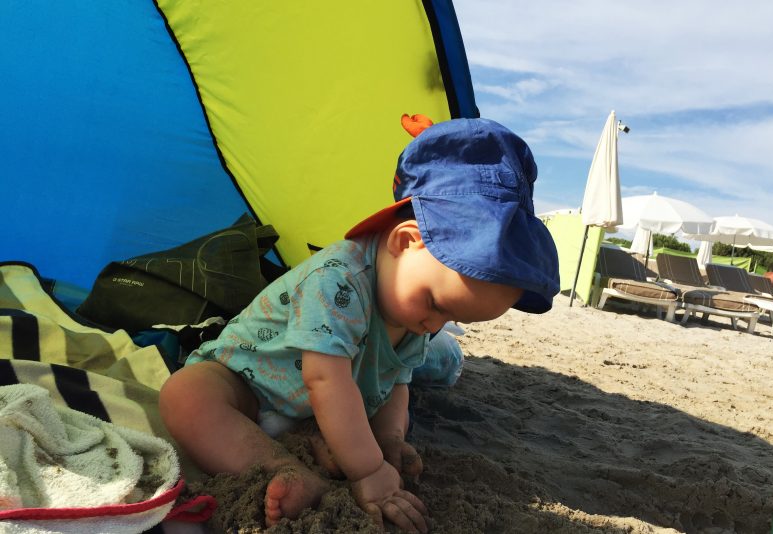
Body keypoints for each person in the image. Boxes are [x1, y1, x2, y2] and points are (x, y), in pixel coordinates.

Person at [158, 115, 560, 532]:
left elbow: (395, 382)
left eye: (450, 318)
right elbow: (325, 381)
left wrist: (389, 440)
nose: (433, 324)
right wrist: (369, 470)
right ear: (405, 242)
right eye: (436, 304)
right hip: (249, 385)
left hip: (315, 414)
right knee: (186, 395)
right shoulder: (339, 280)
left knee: (353, 428)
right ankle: (277, 465)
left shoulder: (413, 312)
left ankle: (315, 446)